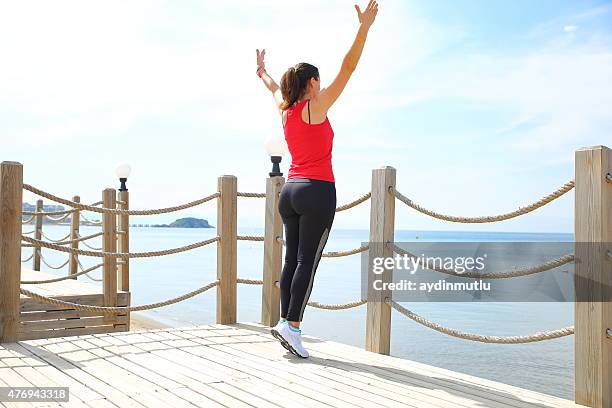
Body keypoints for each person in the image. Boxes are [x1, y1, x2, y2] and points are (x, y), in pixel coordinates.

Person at [256, 0, 379, 358]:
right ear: (312, 83)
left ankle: (284, 323)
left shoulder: (286, 110)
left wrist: (261, 71)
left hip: (290, 192)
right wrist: (363, 29)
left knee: (291, 259)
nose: (323, 85)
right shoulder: (315, 107)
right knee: (307, 262)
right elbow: (350, 66)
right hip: (317, 191)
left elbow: (271, 87)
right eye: (319, 81)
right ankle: (292, 327)